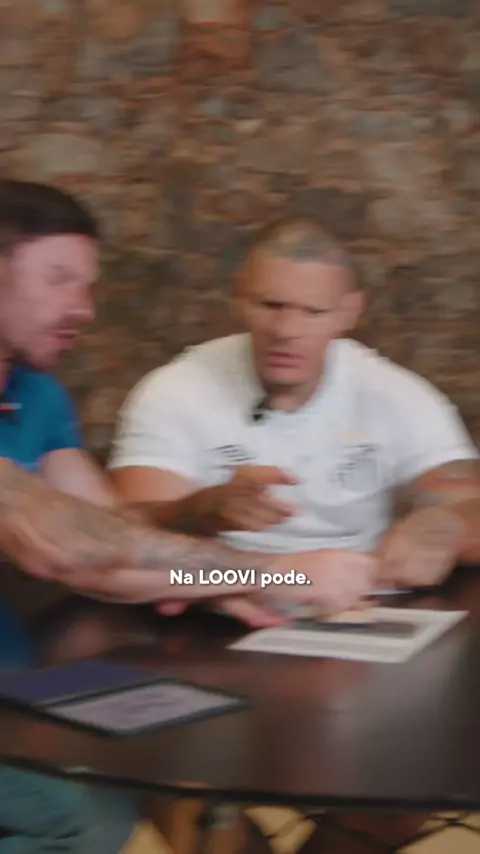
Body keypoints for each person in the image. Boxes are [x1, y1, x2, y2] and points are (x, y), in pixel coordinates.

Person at [0, 184, 378, 853]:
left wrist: (211, 582)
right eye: (59, 280)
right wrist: (283, 575)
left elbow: (113, 531)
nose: (84, 308)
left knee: (134, 778)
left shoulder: (38, 395)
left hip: (21, 677)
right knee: (82, 814)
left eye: (87, 285)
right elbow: (69, 548)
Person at [110, 215, 480, 620]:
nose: (286, 330)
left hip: (363, 606)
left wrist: (447, 525)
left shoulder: (395, 394)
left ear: (348, 312)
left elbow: (470, 506)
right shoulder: (175, 390)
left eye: (313, 312)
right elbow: (127, 552)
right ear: (239, 297)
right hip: (219, 607)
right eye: (270, 305)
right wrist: (200, 512)